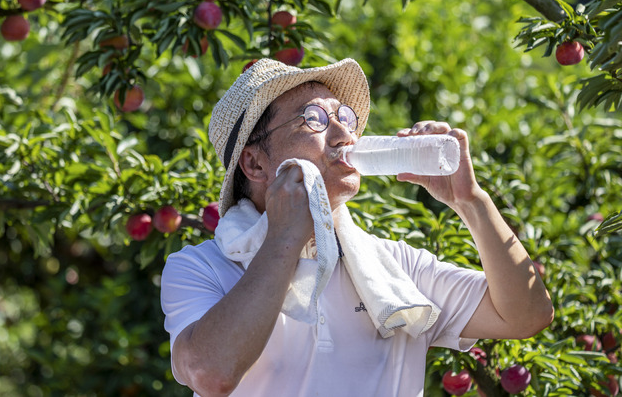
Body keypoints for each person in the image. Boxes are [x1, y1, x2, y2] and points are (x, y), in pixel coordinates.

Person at [160, 58, 554, 397]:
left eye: (344, 117)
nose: (344, 133)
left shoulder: (394, 268)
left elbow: (527, 315)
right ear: (256, 164)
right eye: (313, 119)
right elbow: (211, 374)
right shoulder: (201, 267)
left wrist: (472, 202)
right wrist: (285, 235)